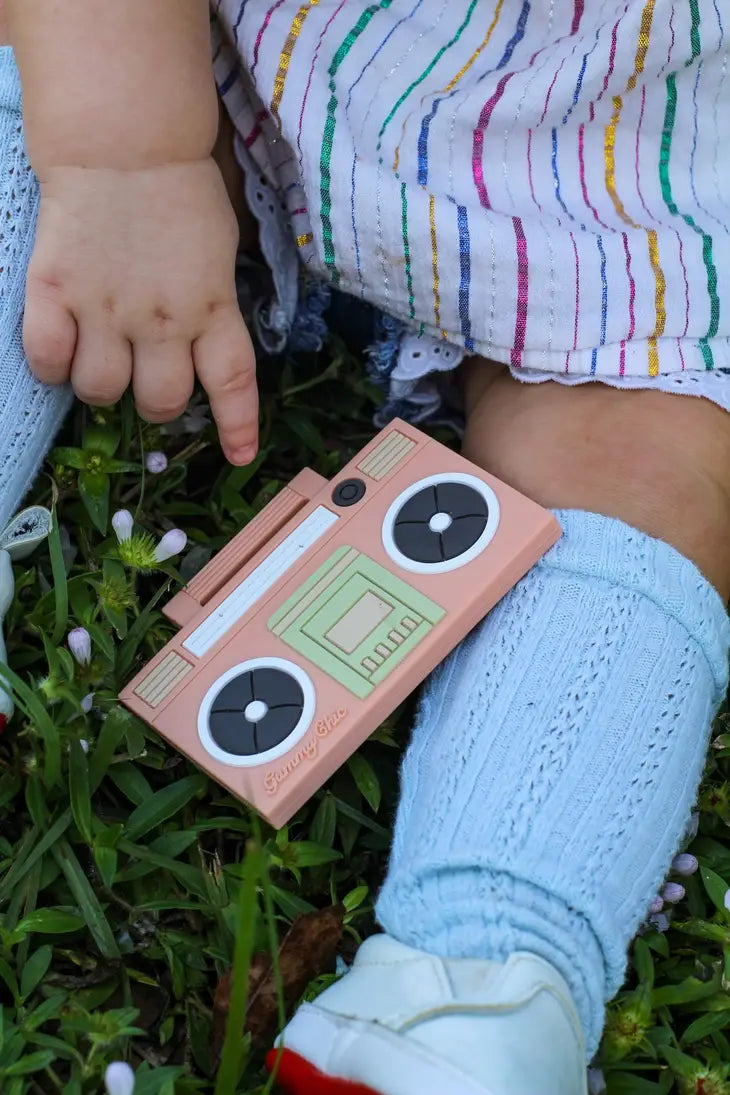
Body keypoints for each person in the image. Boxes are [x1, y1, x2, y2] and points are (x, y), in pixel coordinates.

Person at [3, 3, 730, 1092]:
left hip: (624, 161)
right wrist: (124, 158)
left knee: (646, 457)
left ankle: (478, 975)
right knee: (33, 147)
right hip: (210, 59)